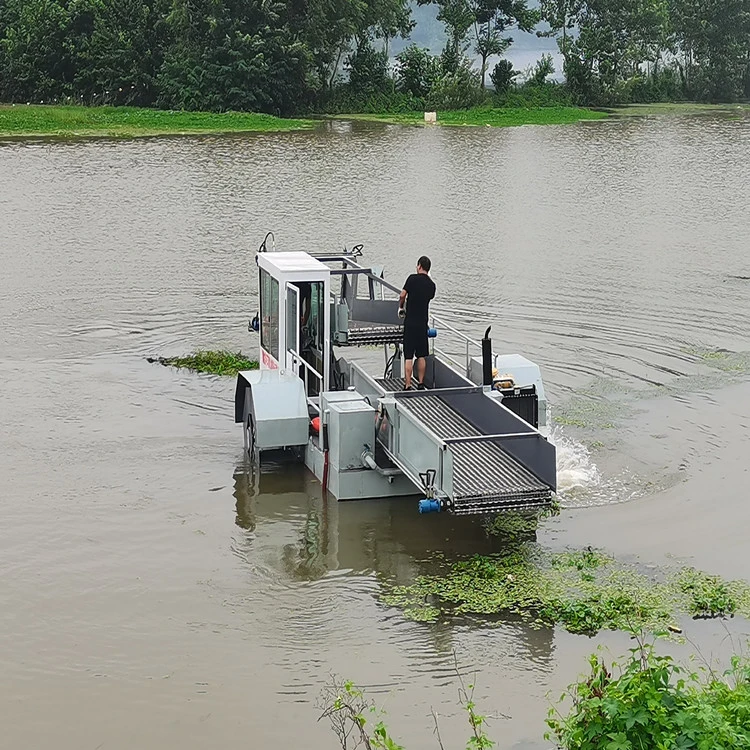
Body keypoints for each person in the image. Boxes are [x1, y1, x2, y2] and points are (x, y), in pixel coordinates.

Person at [398, 256, 436, 390]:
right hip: (422, 323)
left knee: (408, 356)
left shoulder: (412, 279)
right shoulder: (431, 285)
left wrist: (401, 307)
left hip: (410, 323)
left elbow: (402, 295)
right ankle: (420, 383)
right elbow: (429, 297)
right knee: (421, 355)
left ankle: (408, 384)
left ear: (419, 266)